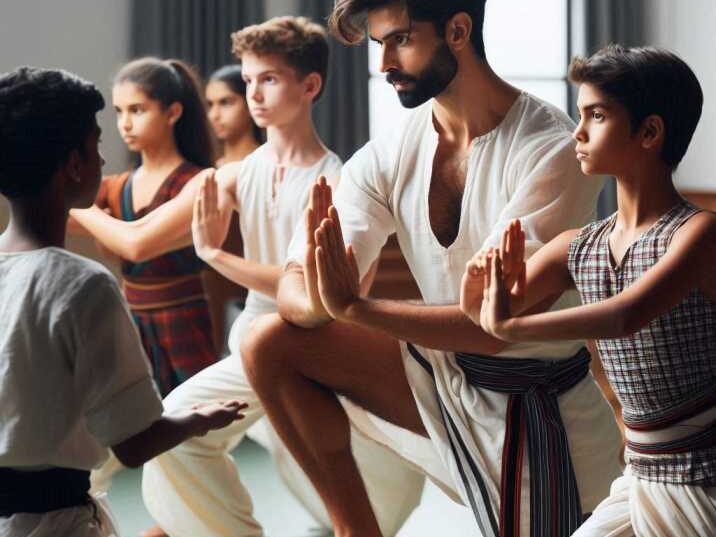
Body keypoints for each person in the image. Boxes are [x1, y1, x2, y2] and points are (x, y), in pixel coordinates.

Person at [239, 2, 623, 537]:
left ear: (458, 31)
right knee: (268, 343)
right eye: (380, 46)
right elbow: (295, 286)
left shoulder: (552, 147)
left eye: (401, 41)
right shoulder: (389, 151)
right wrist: (322, 298)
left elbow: (489, 328)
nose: (385, 63)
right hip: (439, 376)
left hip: (535, 399)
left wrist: (354, 307)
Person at [141, 16, 424, 537]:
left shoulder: (337, 180)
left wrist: (216, 256)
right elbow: (137, 242)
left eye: (268, 79)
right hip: (249, 337)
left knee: (372, 482)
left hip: (309, 345)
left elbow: (331, 295)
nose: (253, 94)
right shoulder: (237, 172)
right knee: (173, 430)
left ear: (310, 86)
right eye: (247, 81)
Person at [471, 45, 715, 537]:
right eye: (579, 114)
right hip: (641, 473)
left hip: (703, 474)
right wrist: (482, 282)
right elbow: (484, 322)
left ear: (649, 132)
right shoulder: (575, 247)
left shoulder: (698, 233)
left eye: (596, 115)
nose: (577, 132)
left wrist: (510, 324)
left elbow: (625, 315)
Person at [0, 66, 245, 537]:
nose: (106, 155)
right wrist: (196, 419)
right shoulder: (83, 286)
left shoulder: (193, 180)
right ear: (74, 165)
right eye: (95, 145)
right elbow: (134, 443)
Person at [70, 57, 218, 398]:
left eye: (137, 110)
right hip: (129, 316)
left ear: (172, 113)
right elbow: (46, 210)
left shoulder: (195, 181)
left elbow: (136, 245)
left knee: (195, 419)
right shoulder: (117, 186)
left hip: (183, 317)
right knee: (135, 420)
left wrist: (79, 202)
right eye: (119, 112)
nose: (125, 124)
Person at [206, 64, 263, 166]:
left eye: (225, 103)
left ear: (250, 104)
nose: (214, 115)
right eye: (210, 105)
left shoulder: (268, 166)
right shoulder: (208, 170)